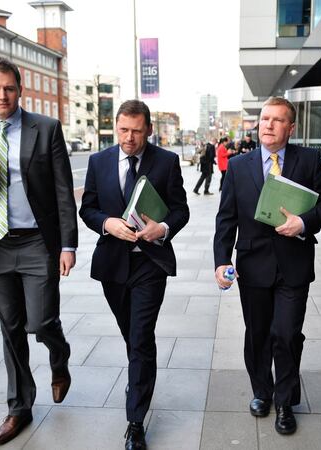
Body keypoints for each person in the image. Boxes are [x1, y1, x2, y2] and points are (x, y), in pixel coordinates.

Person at [0, 57, 78, 446]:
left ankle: (59, 358)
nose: (2, 95)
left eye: (9, 88)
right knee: (10, 331)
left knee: (41, 323)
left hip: (37, 243)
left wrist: (67, 244)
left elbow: (62, 190)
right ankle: (19, 408)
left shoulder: (46, 128)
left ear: (20, 89)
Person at [213, 96, 321, 435]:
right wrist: (221, 260)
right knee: (258, 336)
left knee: (286, 334)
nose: (268, 124)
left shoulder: (309, 161)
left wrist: (304, 222)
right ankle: (261, 392)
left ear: (290, 128)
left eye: (277, 120)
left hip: (294, 265)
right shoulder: (239, 167)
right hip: (253, 266)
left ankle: (285, 401)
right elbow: (226, 218)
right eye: (265, 118)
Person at [79, 100, 190, 450]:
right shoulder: (98, 162)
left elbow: (181, 209)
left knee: (141, 336)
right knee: (131, 335)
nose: (129, 137)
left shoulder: (167, 161)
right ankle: (140, 375)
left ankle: (135, 421)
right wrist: (107, 223)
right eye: (123, 130)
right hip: (113, 265)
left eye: (137, 131)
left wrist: (164, 228)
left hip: (149, 264)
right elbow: (89, 209)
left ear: (149, 130)